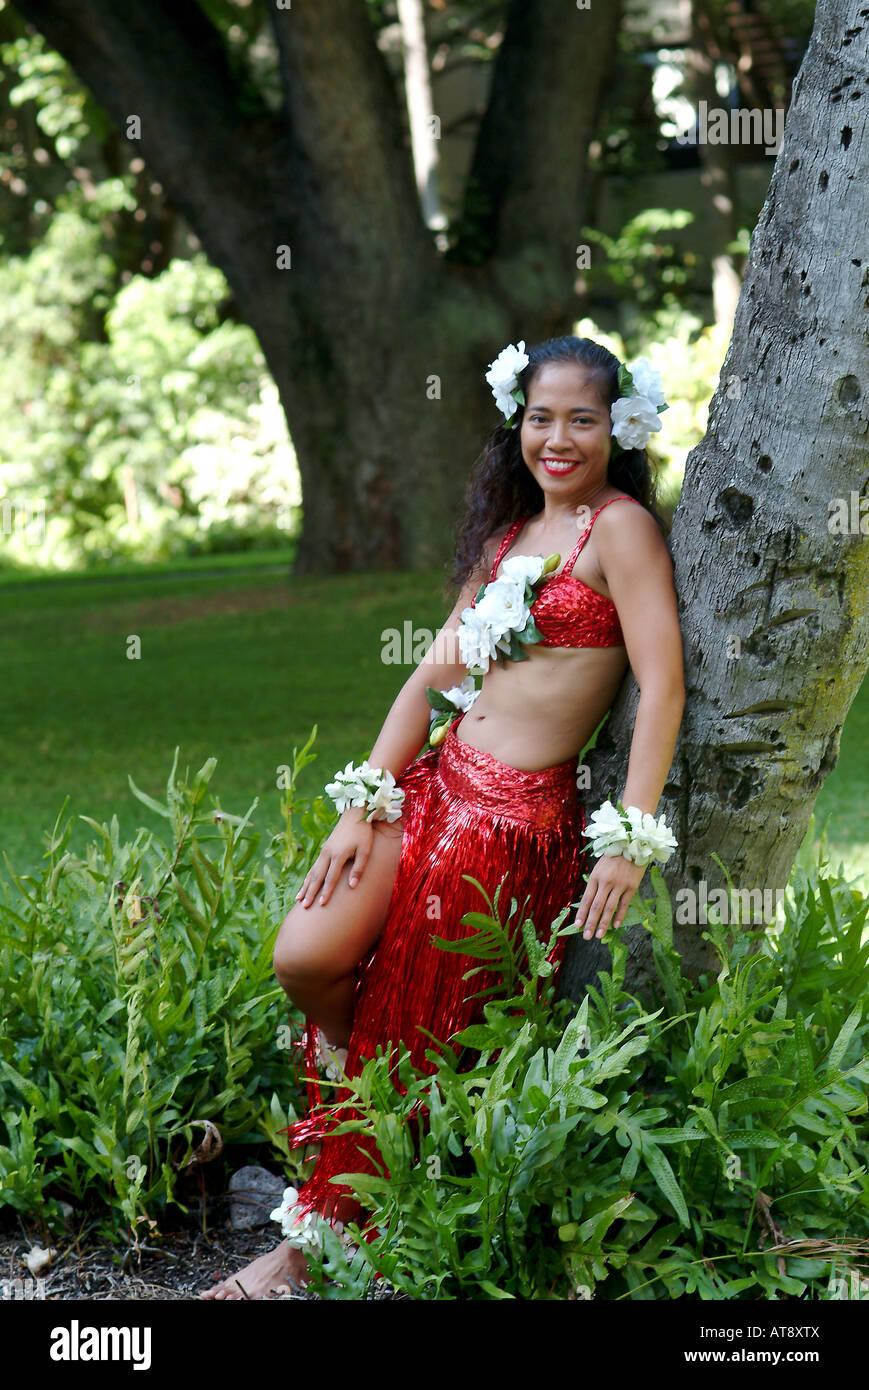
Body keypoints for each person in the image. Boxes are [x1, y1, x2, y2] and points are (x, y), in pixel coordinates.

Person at [200, 334, 685, 1299]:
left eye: (581, 419)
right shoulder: (508, 536)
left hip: (508, 825)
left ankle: (310, 1249)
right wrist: (363, 802)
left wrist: (628, 840)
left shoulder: (619, 529)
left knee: (410, 1023)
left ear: (615, 429)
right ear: (517, 423)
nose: (557, 437)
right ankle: (382, 1118)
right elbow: (433, 677)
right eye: (539, 416)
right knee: (303, 957)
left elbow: (664, 685)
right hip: (431, 788)